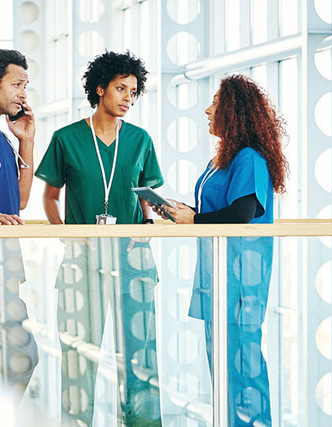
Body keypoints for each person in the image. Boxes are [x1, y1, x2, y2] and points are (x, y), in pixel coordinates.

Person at [35, 51, 164, 425]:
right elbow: (49, 197)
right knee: (78, 357)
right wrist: (66, 236)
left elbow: (146, 196)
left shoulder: (140, 139)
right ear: (100, 88)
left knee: (140, 358)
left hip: (133, 261)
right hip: (82, 263)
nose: (128, 97)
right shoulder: (67, 138)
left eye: (134, 91)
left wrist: (148, 229)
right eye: (121, 88)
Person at [157, 74, 288, 426]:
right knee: (224, 372)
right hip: (217, 277)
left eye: (215, 103)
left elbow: (243, 212)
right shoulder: (222, 159)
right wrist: (179, 211)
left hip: (240, 279)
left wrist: (195, 219)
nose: (207, 110)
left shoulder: (249, 159)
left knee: (244, 372)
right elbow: (215, 210)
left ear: (233, 110)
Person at [0, 48, 39, 402]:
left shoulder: (4, 140)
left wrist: (26, 140)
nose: (23, 93)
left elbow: (21, 201)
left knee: (22, 358)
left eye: (25, 85)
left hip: (7, 271)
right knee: (21, 357)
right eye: (17, 84)